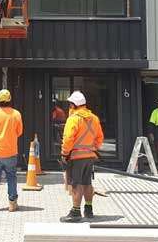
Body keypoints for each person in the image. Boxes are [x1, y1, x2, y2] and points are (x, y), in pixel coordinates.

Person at [60, 90, 104, 223]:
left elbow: (68, 139)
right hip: (90, 156)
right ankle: (89, 209)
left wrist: (64, 153)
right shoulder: (94, 118)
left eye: (70, 105)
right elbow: (100, 138)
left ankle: (75, 211)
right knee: (87, 182)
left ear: (74, 105)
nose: (69, 107)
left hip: (76, 157)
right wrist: (93, 148)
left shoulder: (73, 119)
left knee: (76, 184)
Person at [0, 89, 23, 212]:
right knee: (11, 177)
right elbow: (19, 132)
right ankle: (12, 204)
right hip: (11, 152)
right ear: (10, 99)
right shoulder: (16, 114)